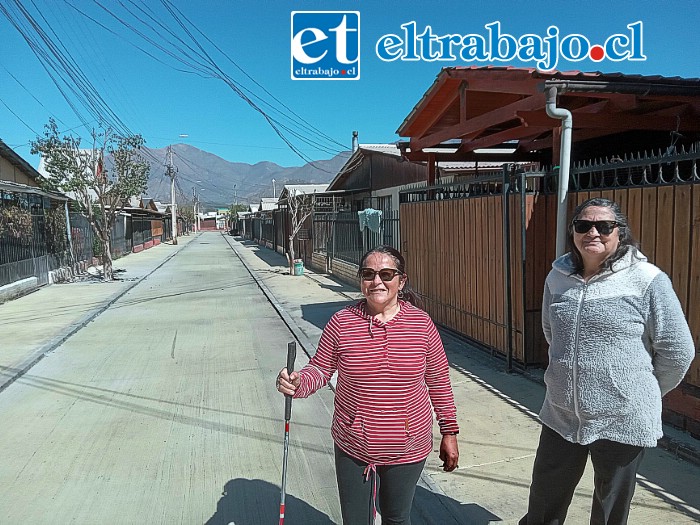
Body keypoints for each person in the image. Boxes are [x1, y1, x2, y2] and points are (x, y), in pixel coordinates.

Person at [520, 198, 695, 525]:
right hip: (561, 414)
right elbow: (551, 331)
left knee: (610, 508)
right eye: (584, 225)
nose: (593, 232)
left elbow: (677, 348)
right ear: (573, 231)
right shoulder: (557, 277)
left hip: (622, 417)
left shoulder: (646, 279)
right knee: (544, 499)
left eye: (604, 226)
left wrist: (642, 391)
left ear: (620, 233)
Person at [276, 245, 459, 525]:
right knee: (355, 521)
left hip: (407, 447)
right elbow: (321, 368)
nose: (377, 282)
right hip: (353, 445)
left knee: (397, 518)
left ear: (402, 281)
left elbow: (438, 381)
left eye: (386, 274)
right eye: (368, 274)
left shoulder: (421, 325)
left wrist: (449, 432)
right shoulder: (341, 323)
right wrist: (298, 382)